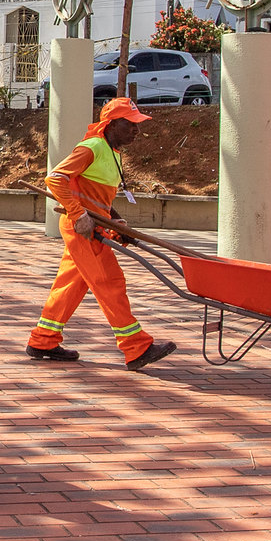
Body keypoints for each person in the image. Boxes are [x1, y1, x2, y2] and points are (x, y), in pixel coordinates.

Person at [27, 95, 177, 370]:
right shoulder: (93, 147)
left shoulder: (112, 152)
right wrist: (78, 213)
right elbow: (55, 179)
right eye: (130, 124)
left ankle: (43, 339)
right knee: (110, 282)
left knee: (71, 285)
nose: (136, 130)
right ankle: (136, 347)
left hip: (92, 225)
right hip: (83, 228)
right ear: (110, 124)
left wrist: (118, 223)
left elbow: (99, 200)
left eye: (137, 124)